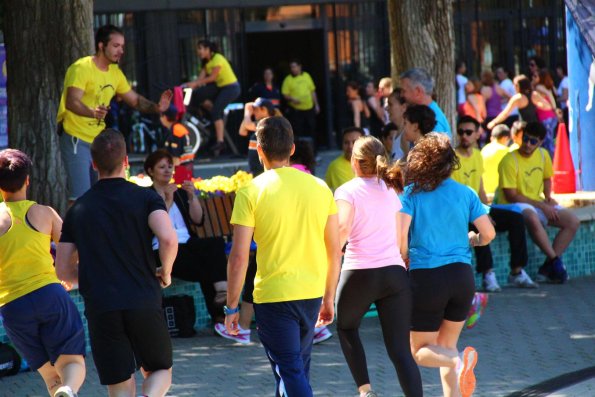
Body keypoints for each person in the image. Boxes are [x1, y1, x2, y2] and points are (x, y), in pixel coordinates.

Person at [224, 116, 342, 396]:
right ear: (292, 149)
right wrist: (328, 297)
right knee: (295, 371)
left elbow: (239, 257)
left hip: (274, 296)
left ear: (259, 150)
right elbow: (334, 250)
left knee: (290, 372)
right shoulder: (320, 187)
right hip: (311, 292)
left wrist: (231, 307)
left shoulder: (250, 191)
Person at [55, 129, 178, 397]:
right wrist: (165, 272)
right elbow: (168, 239)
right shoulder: (146, 198)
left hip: (101, 307)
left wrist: (86, 279)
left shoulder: (78, 209)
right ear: (126, 162)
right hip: (143, 298)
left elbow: (62, 270)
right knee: (159, 370)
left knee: (120, 384)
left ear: (93, 164)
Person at [399, 133, 496, 397]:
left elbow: (400, 240)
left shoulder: (411, 194)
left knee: (420, 351)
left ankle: (458, 362)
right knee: (446, 346)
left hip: (427, 279)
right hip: (462, 278)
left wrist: (405, 257)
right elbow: (488, 234)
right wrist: (473, 239)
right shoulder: (466, 193)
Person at [335, 136, 423, 397]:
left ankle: (366, 391)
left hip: (359, 272)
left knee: (347, 328)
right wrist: (403, 257)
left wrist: (332, 253)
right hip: (394, 274)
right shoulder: (393, 189)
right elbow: (400, 238)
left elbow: (342, 230)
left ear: (354, 161)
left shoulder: (347, 191)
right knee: (400, 351)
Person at [0, 149, 86, 397]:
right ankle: (69, 389)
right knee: (72, 363)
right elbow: (72, 247)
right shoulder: (44, 213)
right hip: (49, 295)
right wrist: (66, 274)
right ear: (28, 180)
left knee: (50, 375)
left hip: (12, 307)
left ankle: (60, 389)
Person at [57, 24, 172, 205]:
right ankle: (75, 233)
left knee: (102, 195)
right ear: (102, 46)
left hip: (99, 143)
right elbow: (72, 102)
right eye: (116, 46)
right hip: (76, 139)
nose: (121, 51)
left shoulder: (115, 73)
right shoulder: (82, 68)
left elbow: (135, 100)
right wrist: (92, 112)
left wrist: (157, 108)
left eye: (123, 46)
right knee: (79, 198)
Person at [144, 150, 229, 325]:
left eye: (170, 166)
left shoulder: (180, 193)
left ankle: (222, 294)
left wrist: (192, 197)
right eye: (162, 167)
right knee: (209, 267)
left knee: (215, 242)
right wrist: (167, 200)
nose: (168, 170)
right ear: (151, 171)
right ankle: (220, 315)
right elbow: (156, 228)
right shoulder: (146, 196)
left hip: (187, 243)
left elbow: (197, 220)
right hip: (162, 247)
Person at [452, 116, 536, 291]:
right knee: (478, 224)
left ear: (477, 134)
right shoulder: (452, 158)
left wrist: (486, 212)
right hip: (460, 212)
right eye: (461, 132)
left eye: (468, 132)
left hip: (478, 208)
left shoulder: (477, 155)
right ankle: (487, 274)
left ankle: (517, 271)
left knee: (516, 218)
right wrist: (481, 216)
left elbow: (480, 189)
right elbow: (454, 197)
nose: (464, 136)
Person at [494, 122, 580, 284]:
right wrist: (542, 206)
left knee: (572, 221)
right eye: (525, 139)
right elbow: (511, 195)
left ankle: (547, 268)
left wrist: (548, 197)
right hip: (510, 206)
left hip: (535, 202)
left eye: (533, 141)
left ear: (540, 142)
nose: (527, 144)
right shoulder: (509, 160)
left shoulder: (543, 155)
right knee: (532, 216)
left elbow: (547, 177)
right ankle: (555, 261)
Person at [184, 39, 241, 155]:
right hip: (221, 88)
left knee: (216, 112)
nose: (198, 51)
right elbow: (200, 80)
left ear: (208, 49)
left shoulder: (217, 58)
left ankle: (220, 141)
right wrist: (189, 85)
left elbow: (212, 78)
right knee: (198, 95)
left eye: (200, 48)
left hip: (231, 88)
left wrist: (195, 84)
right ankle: (209, 113)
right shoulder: (206, 63)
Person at [399, 67, 452, 139]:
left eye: (403, 91)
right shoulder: (423, 117)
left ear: (417, 91)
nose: (401, 95)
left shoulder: (434, 123)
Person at [239, 97, 280, 176]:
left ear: (264, 109)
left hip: (263, 169)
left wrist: (247, 112)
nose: (254, 112)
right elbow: (242, 131)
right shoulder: (260, 122)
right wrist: (248, 113)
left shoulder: (269, 123)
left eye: (255, 109)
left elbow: (247, 125)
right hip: (256, 168)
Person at [281, 59, 320, 143]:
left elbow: (312, 91)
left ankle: (313, 151)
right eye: (291, 67)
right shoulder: (288, 79)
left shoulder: (306, 75)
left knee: (312, 130)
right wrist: (292, 99)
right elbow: (285, 94)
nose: (293, 69)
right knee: (298, 131)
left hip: (309, 108)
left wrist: (316, 105)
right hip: (297, 110)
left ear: (299, 66)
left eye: (294, 66)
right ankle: (300, 151)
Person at [160, 104, 195, 183]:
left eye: (161, 116)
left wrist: (169, 174)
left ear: (165, 117)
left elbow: (176, 158)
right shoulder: (174, 129)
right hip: (182, 167)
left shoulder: (176, 132)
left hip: (182, 169)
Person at [325, 127, 364, 191]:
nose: (350, 146)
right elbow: (325, 190)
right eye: (346, 142)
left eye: (354, 142)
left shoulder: (372, 164)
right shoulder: (334, 166)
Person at [532, 69, 558, 156]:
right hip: (551, 116)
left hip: (545, 116)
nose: (534, 78)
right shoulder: (550, 86)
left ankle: (551, 159)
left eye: (536, 76)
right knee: (550, 138)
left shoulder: (539, 87)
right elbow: (555, 93)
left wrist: (554, 107)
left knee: (547, 140)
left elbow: (549, 94)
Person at [481, 124, 512, 195]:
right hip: (498, 194)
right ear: (505, 138)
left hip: (484, 192)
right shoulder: (506, 151)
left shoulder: (484, 149)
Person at [385, 88, 410, 160]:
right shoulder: (396, 134)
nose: (386, 108)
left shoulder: (406, 136)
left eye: (390, 104)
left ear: (404, 107)